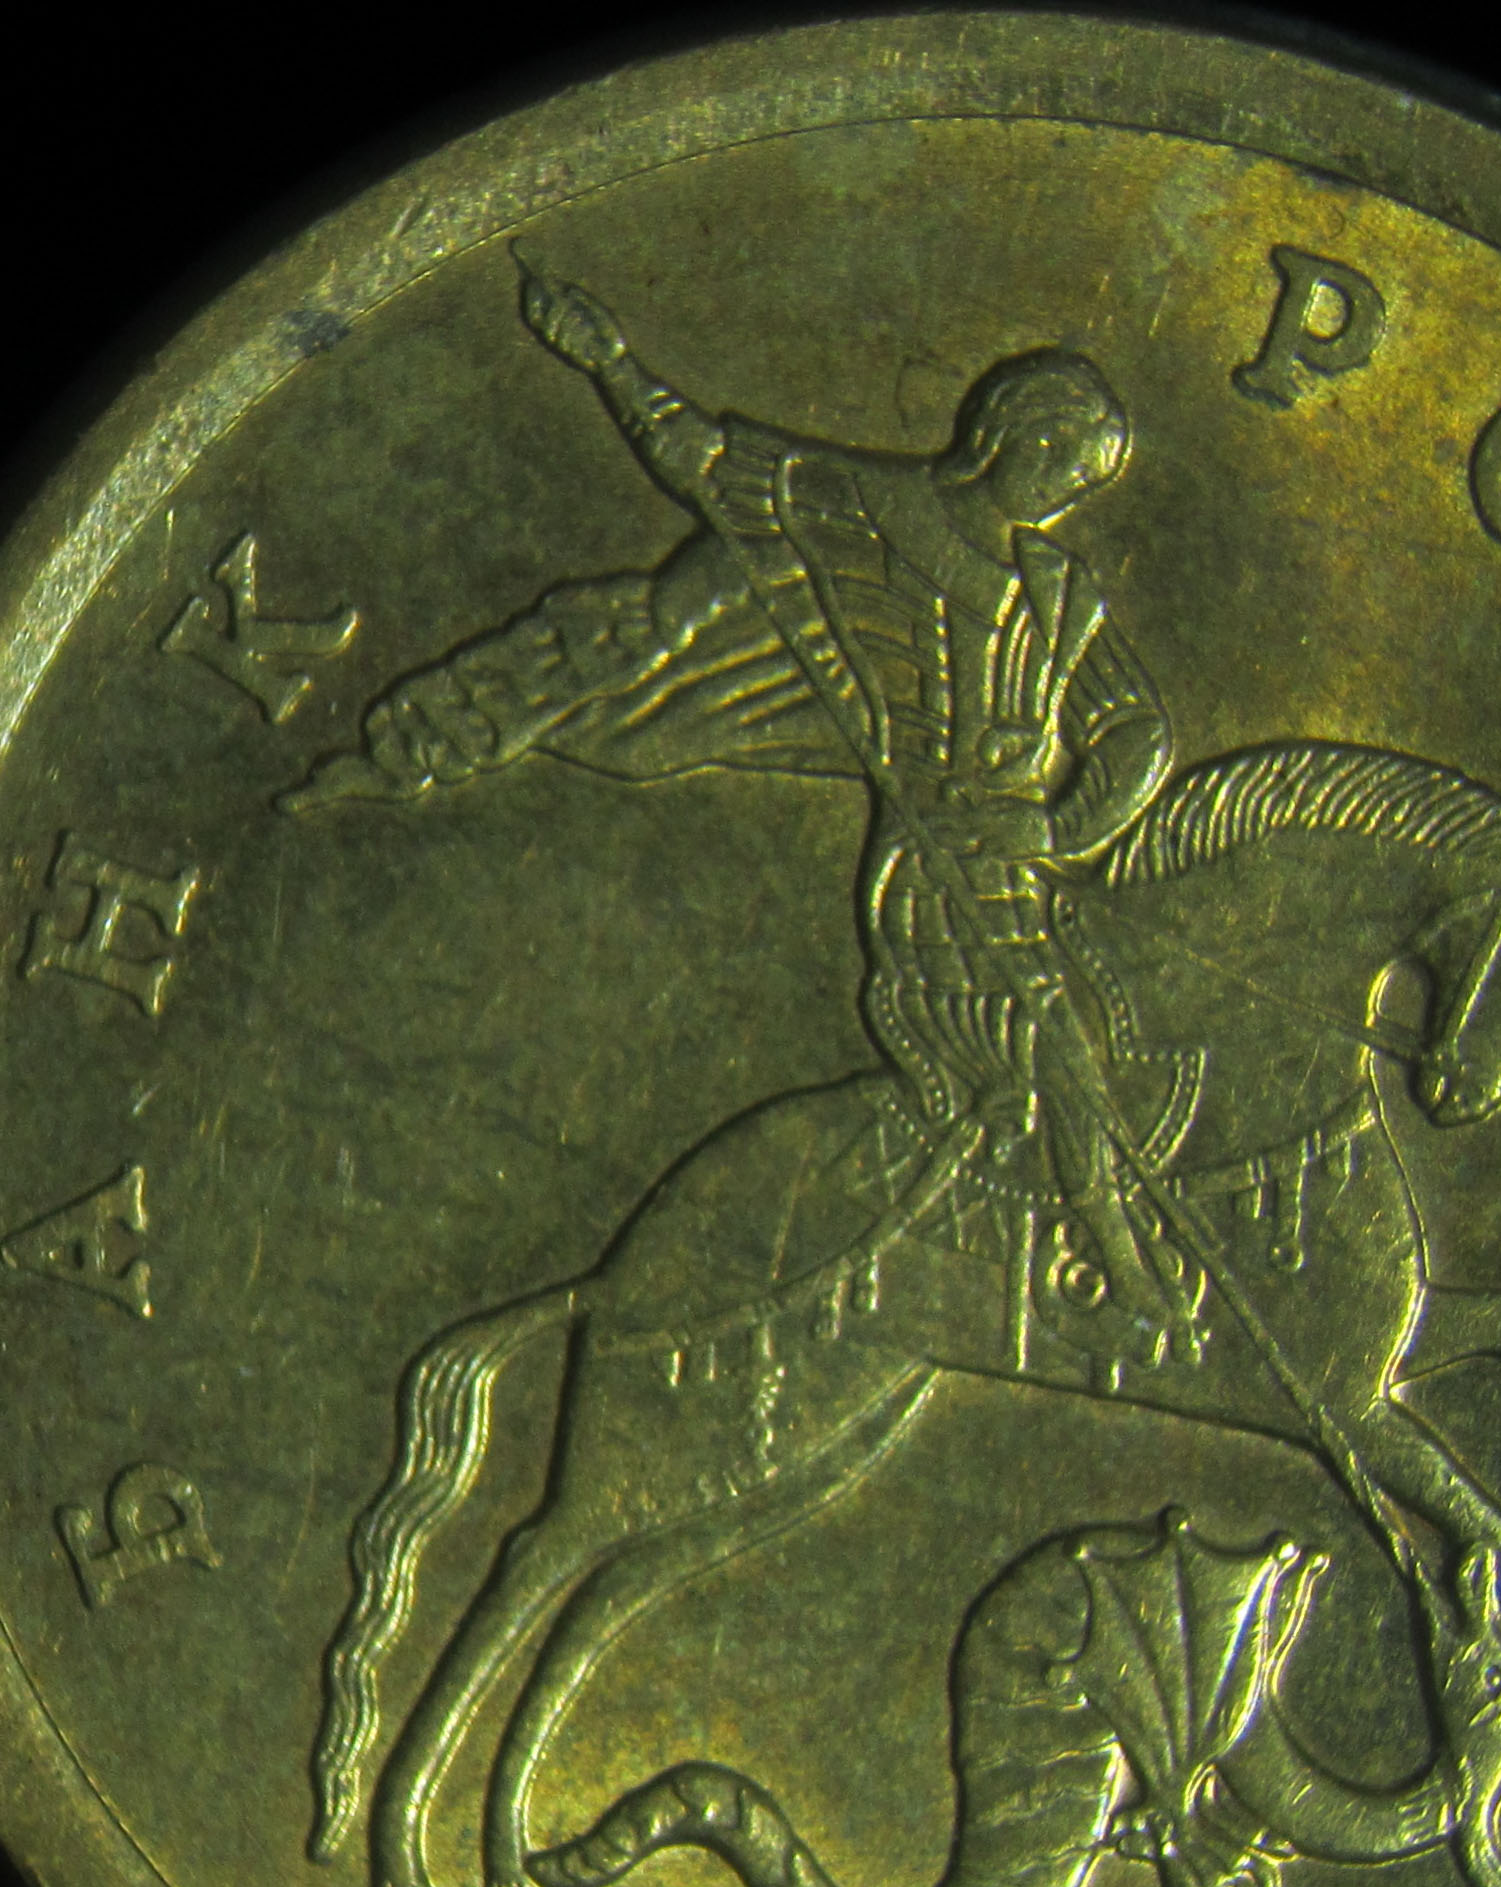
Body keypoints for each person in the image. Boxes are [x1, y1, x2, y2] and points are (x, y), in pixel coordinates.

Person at [289, 257, 1204, 1349]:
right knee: (1051, 1042)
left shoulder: (1060, 593)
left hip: (1022, 857)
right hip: (936, 867)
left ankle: (1039, 1232)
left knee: (1132, 1024)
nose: (1064, 495)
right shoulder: (862, 511)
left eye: (1084, 484)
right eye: (1061, 462)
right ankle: (1111, 1259)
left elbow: (1137, 734)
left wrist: (1057, 826)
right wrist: (606, 361)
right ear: (1008, 433)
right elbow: (705, 461)